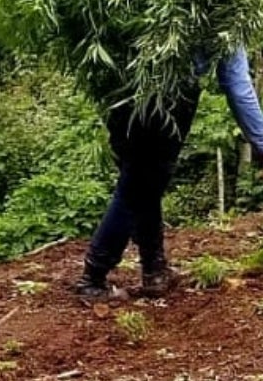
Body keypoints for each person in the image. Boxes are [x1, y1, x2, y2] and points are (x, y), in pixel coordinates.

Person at [79, 47, 263, 303]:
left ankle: (154, 269)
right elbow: (236, 82)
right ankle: (93, 277)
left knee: (145, 180)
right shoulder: (224, 11)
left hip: (119, 87)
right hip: (171, 98)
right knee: (138, 184)